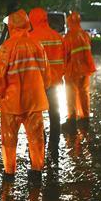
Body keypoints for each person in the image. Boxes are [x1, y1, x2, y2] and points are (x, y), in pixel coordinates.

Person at [0, 9, 50, 178]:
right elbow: (45, 74)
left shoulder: (7, 47)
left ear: (12, 26)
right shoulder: (37, 45)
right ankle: (36, 171)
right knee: (36, 139)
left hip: (11, 102)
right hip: (34, 101)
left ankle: (9, 172)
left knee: (9, 139)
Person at [29, 8, 65, 138]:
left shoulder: (30, 38)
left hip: (36, 84)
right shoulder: (57, 37)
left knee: (36, 114)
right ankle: (54, 141)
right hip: (55, 82)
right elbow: (65, 59)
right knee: (55, 113)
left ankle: (40, 141)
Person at [62, 11, 96, 128]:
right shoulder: (85, 35)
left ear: (69, 22)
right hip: (85, 69)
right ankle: (85, 117)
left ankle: (72, 118)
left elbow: (65, 55)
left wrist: (62, 69)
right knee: (84, 93)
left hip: (73, 70)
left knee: (71, 94)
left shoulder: (68, 36)